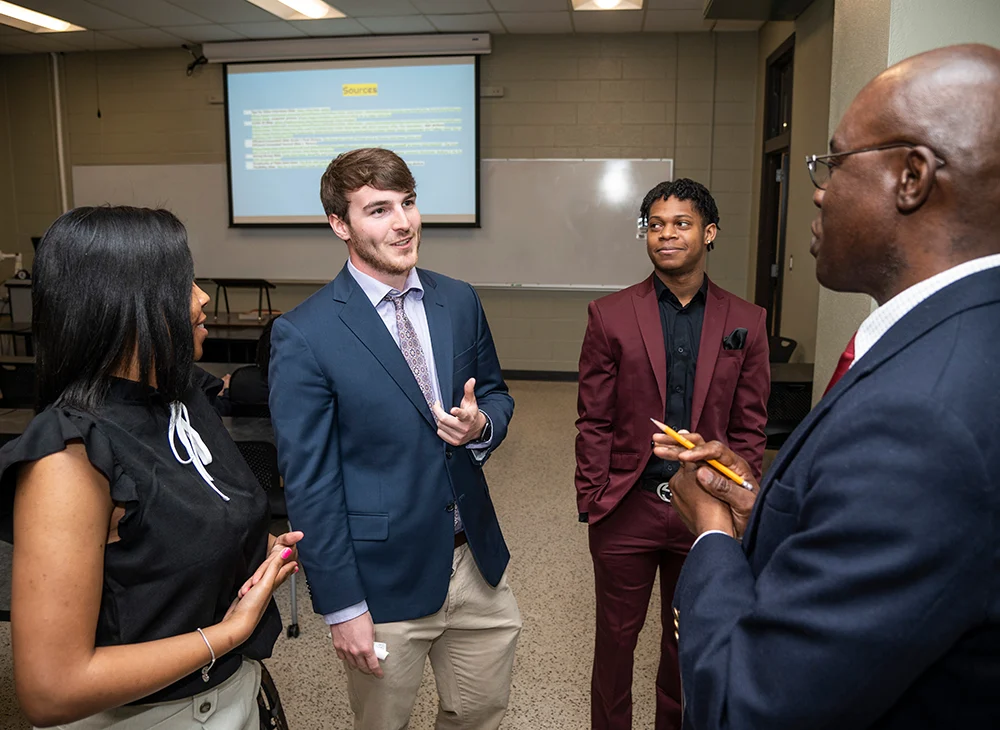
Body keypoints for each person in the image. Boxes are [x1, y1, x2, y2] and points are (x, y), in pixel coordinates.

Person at [653, 43, 1000, 730]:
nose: (816, 189)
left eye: (834, 163)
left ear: (912, 178)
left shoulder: (921, 418)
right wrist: (768, 513)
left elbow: (746, 706)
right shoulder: (960, 335)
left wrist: (714, 535)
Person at [0, 206, 302, 729]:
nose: (202, 296)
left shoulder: (176, 395)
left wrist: (242, 556)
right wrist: (228, 633)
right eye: (183, 283)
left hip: (232, 696)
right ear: (126, 303)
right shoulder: (70, 452)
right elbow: (51, 689)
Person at [268, 147, 520, 730]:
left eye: (408, 203)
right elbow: (310, 482)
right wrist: (343, 605)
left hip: (474, 563)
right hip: (381, 580)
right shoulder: (305, 334)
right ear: (340, 224)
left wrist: (481, 426)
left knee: (481, 711)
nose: (403, 222)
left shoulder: (458, 299)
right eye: (378, 209)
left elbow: (499, 394)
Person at [575, 178, 770, 730]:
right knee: (614, 644)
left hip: (705, 509)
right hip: (627, 505)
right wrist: (593, 497)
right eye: (654, 225)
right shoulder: (609, 315)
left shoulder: (745, 321)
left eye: (680, 224)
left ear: (708, 233)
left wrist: (737, 497)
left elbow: (749, 425)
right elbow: (594, 417)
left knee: (687, 644)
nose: (665, 234)